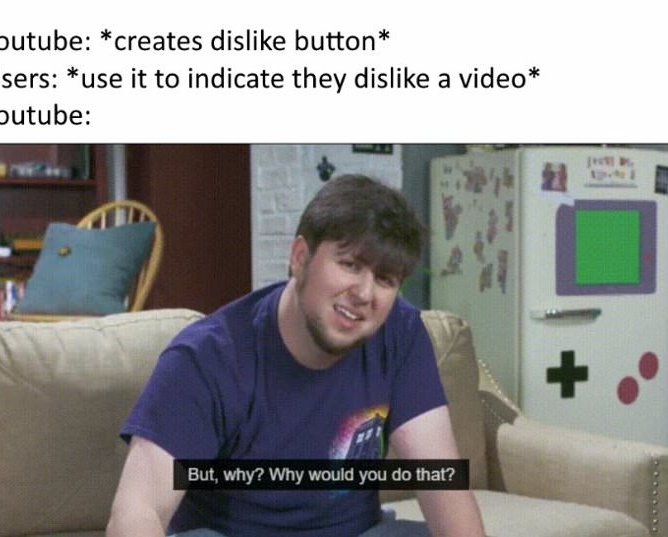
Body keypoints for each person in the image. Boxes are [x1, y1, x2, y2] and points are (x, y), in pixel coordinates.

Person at [106, 175, 485, 537]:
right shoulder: (206, 357)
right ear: (300, 257)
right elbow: (138, 511)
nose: (364, 294)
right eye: (350, 264)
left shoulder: (401, 334)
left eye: (385, 279)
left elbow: (441, 482)